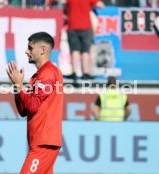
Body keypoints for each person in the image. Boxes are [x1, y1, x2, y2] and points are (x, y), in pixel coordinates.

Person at [6, 32, 64, 173]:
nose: (27, 51)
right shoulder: (37, 76)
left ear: (43, 50)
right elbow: (23, 110)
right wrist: (16, 86)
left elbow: (32, 106)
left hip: (44, 143)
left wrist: (20, 86)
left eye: (30, 48)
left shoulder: (49, 73)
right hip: (39, 142)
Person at [65, 0, 105, 80]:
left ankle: (74, 73)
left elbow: (65, 6)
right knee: (85, 52)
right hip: (86, 26)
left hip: (73, 25)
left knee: (75, 51)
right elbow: (101, 5)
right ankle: (85, 73)